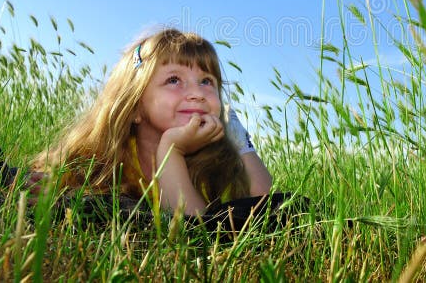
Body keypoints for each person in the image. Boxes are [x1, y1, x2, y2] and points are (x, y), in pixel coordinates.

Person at [31, 28, 273, 217]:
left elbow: (198, 231)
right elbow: (47, 182)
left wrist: (174, 149)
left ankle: (236, 132)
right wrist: (55, 188)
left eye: (207, 81)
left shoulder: (215, 164)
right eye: (174, 80)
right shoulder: (103, 156)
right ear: (136, 106)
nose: (197, 93)